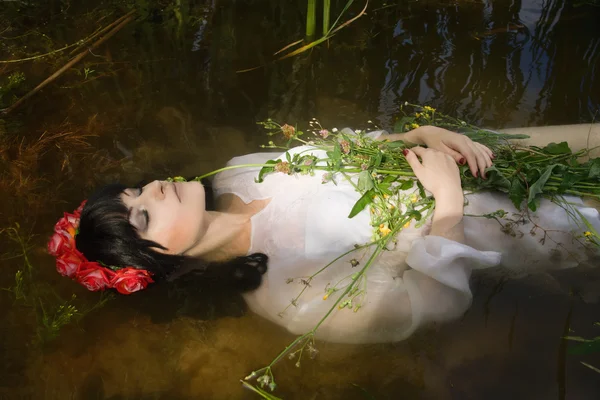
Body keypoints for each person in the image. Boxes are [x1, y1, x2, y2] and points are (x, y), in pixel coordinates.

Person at [65, 125, 599, 343]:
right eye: (142, 217)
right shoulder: (289, 296)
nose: (153, 188)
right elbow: (438, 302)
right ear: (159, 263)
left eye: (133, 191)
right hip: (519, 227)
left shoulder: (236, 171)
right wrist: (448, 203)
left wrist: (420, 134)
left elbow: (355, 147)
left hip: (495, 158)